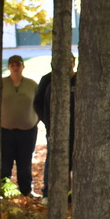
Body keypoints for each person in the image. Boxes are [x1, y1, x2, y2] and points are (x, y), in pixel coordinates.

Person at [33, 56, 76, 200]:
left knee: (76, 160)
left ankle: (73, 194)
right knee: (53, 160)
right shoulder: (48, 80)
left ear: (74, 63)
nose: (68, 66)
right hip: (55, 129)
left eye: (70, 62)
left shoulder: (80, 79)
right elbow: (38, 103)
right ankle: (48, 193)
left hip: (77, 129)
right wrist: (49, 124)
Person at [0, 55, 39, 196]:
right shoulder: (1, 83)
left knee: (25, 163)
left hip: (27, 131)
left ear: (23, 66)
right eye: (12, 65)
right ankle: (4, 191)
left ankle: (26, 190)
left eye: (18, 65)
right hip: (5, 131)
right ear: (8, 67)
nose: (15, 67)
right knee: (5, 163)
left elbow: (39, 104)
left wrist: (35, 120)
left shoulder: (32, 84)